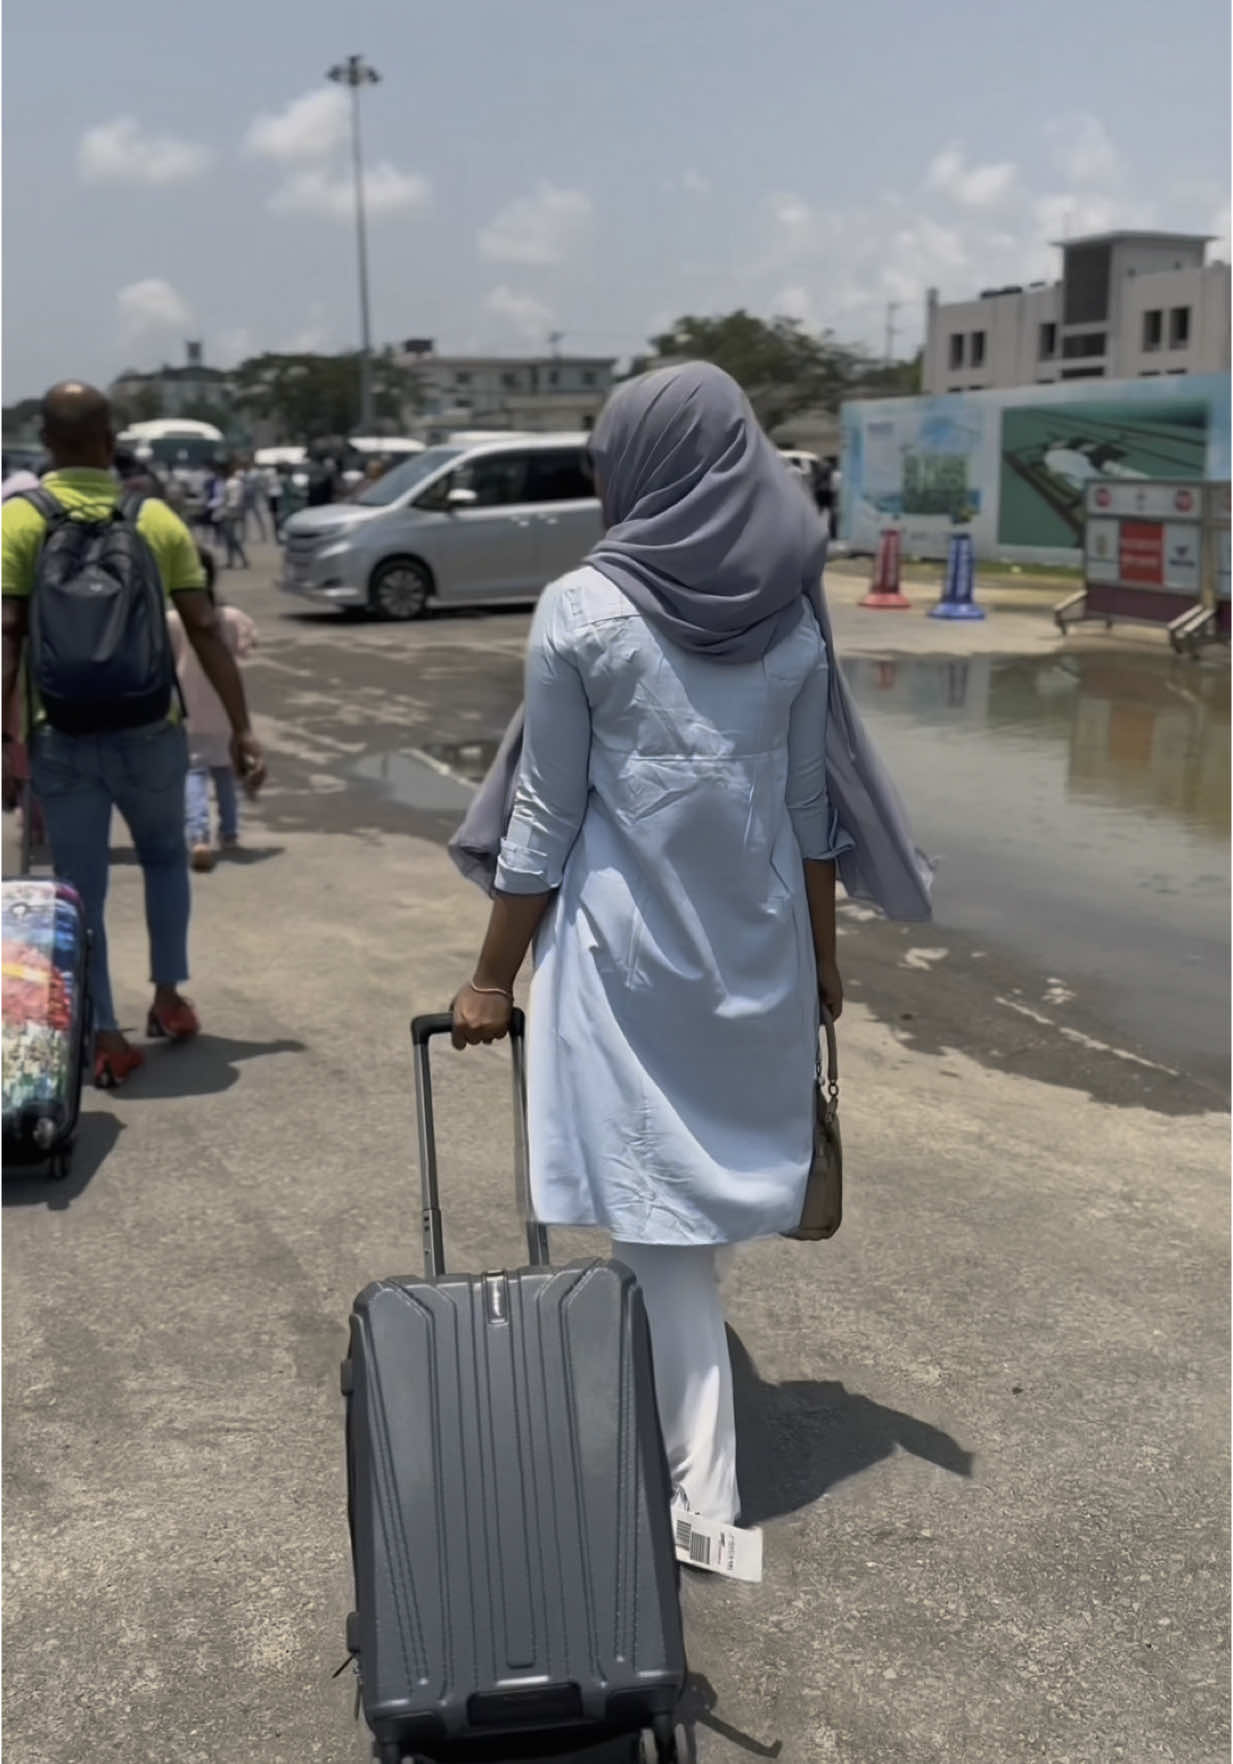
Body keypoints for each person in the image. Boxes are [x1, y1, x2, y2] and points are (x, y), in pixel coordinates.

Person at [446, 362, 930, 1537]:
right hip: (751, 958)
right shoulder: (790, 608)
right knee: (668, 1224)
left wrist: (488, 975)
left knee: (661, 1235)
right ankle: (660, 1445)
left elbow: (544, 822)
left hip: (623, 968)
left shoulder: (582, 608)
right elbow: (814, 816)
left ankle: (702, 1512)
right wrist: (821, 961)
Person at [0, 381, 266, 1088]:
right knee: (164, 860)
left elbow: (8, 635)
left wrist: (5, 743)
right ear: (111, 440)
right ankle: (170, 996)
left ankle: (103, 1032)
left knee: (78, 887)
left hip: (61, 733)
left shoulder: (18, 522)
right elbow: (205, 627)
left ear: (47, 445)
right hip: (153, 730)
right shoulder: (155, 519)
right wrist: (241, 729)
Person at [167, 586, 257, 872]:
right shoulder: (231, 618)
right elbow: (248, 647)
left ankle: (198, 836)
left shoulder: (172, 619)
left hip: (189, 708)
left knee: (193, 772)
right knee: (224, 770)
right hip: (224, 706)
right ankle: (229, 831)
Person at [220, 464, 249, 570]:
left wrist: (225, 510)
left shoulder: (232, 483)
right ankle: (232, 561)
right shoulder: (237, 483)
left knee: (231, 538)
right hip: (233, 511)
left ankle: (241, 560)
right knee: (230, 538)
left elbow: (233, 500)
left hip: (230, 512)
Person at [243, 461, 269, 542]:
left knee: (258, 518)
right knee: (255, 519)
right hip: (253, 498)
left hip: (256, 499)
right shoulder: (249, 474)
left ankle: (263, 536)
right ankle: (261, 536)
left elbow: (262, 486)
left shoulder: (254, 475)